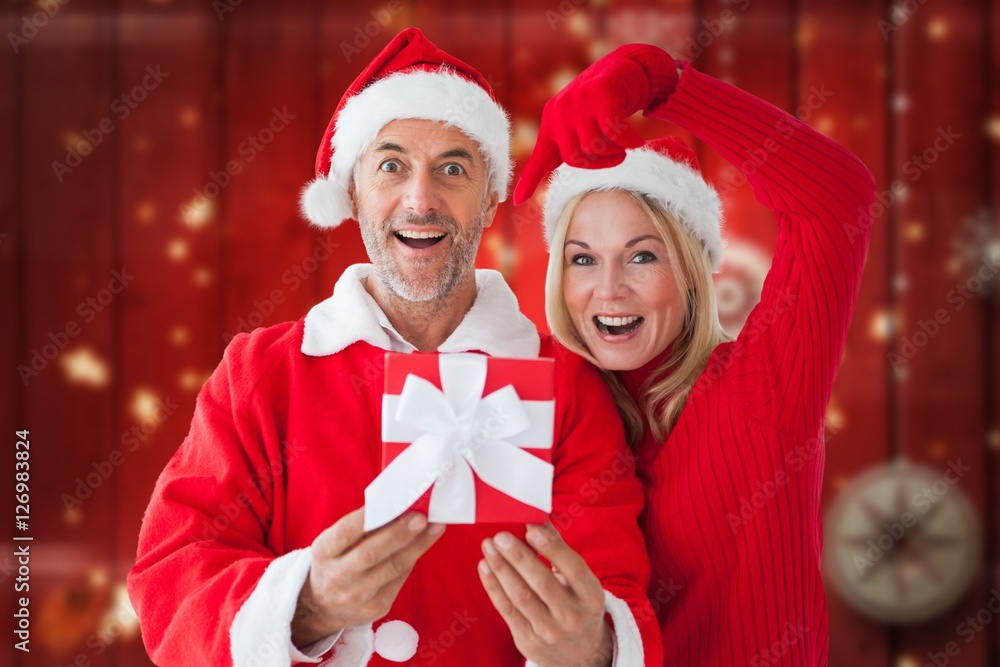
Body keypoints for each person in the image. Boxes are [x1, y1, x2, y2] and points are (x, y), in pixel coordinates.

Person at [127, 29, 662, 667]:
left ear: (491, 197)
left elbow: (621, 593)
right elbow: (172, 575)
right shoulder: (260, 374)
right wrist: (306, 605)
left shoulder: (568, 385)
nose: (420, 199)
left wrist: (594, 647)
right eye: (391, 165)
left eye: (454, 168)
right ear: (352, 191)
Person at [509, 44, 877, 664]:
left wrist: (662, 82)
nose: (609, 288)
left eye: (642, 255)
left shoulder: (762, 385)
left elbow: (840, 200)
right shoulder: (537, 408)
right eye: (582, 258)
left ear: (690, 271)